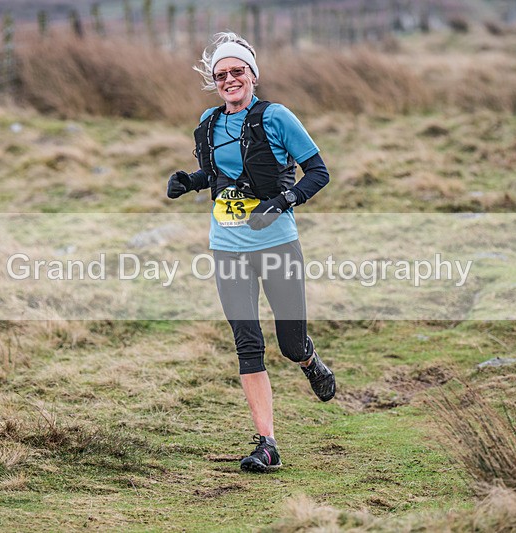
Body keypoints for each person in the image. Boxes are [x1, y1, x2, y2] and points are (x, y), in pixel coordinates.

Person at [166, 32, 335, 473]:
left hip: (277, 244)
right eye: (221, 75)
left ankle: (309, 359)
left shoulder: (277, 117)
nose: (229, 80)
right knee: (248, 345)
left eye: (237, 71)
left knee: (289, 342)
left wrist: (281, 203)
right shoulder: (208, 122)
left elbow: (318, 173)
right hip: (227, 247)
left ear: (253, 75)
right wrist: (190, 180)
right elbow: (218, 173)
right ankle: (268, 444)